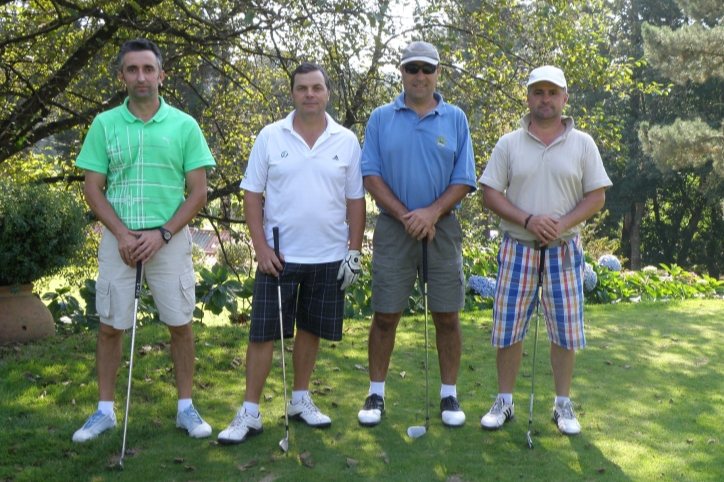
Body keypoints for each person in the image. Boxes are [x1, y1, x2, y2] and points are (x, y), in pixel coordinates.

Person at [72, 39, 216, 442]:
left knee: (181, 325)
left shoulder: (185, 125)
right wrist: (121, 232)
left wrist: (162, 234)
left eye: (148, 69)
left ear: (161, 75)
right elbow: (93, 188)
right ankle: (104, 412)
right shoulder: (104, 124)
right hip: (119, 239)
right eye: (132, 70)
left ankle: (186, 408)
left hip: (167, 240)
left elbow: (198, 193)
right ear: (122, 77)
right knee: (109, 326)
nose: (141, 77)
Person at [217, 62, 365, 444]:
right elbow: (252, 194)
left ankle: (300, 399)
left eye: (317, 88)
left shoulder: (346, 140)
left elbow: (355, 201)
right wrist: (260, 247)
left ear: (328, 93)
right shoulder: (270, 136)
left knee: (310, 330)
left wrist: (354, 251)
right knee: (263, 333)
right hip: (278, 255)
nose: (310, 95)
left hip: (329, 254)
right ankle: (249, 411)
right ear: (293, 93)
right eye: (302, 88)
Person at [478, 65, 612, 435]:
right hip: (518, 247)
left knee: (565, 331)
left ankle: (562, 404)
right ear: (528, 97)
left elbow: (596, 196)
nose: (545, 99)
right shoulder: (509, 143)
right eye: (538, 92)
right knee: (508, 329)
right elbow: (490, 193)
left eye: (553, 92)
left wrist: (561, 223)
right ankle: (504, 400)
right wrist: (528, 220)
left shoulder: (583, 143)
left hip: (563, 250)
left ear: (565, 98)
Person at [357, 41, 477, 429]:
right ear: (402, 73)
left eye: (427, 69)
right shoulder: (380, 117)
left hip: (442, 228)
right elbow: (370, 176)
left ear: (438, 73)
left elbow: (464, 180)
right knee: (385, 314)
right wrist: (407, 215)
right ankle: (376, 393)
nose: (420, 76)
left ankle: (448, 395)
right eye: (412, 69)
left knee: (446, 315)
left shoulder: (455, 118)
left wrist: (431, 213)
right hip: (395, 228)